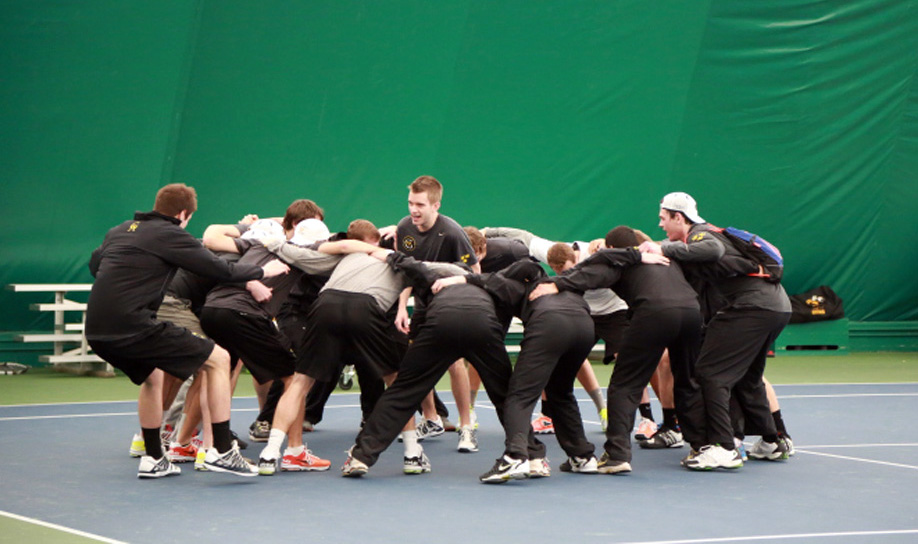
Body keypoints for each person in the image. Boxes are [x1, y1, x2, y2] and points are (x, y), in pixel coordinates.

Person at [86, 183, 289, 478]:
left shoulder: (119, 230)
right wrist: (263, 272)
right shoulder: (171, 234)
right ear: (183, 213)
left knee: (153, 377)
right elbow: (221, 269)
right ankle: (220, 450)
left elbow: (96, 266)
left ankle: (154, 457)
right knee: (218, 358)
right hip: (134, 325)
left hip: (96, 329)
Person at [341, 253, 545, 478]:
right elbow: (527, 266)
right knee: (506, 396)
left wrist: (383, 253)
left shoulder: (432, 277)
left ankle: (361, 457)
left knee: (403, 392)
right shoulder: (489, 281)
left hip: (442, 324)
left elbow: (409, 263)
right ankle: (533, 458)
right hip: (482, 326)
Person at [530, 226, 705, 474]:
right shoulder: (664, 257)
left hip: (654, 312)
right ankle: (702, 445)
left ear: (612, 249)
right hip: (691, 312)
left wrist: (557, 284)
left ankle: (617, 455)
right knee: (687, 381)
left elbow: (591, 275)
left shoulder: (617, 261)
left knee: (625, 385)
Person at [640, 192, 792, 470]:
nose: (660, 224)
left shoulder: (700, 235)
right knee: (748, 377)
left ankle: (725, 448)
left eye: (663, 219)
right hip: (776, 306)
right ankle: (772, 441)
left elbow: (712, 251)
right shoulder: (699, 237)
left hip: (752, 308)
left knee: (710, 373)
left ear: (678, 217)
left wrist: (662, 250)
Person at [391, 176, 479, 449]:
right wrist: (402, 306)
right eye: (410, 203)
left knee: (454, 363)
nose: (413, 210)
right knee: (415, 361)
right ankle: (431, 419)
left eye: (420, 204)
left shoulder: (452, 233)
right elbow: (407, 270)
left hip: (453, 306)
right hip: (423, 305)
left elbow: (475, 273)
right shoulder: (405, 228)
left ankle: (466, 427)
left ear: (435, 205)